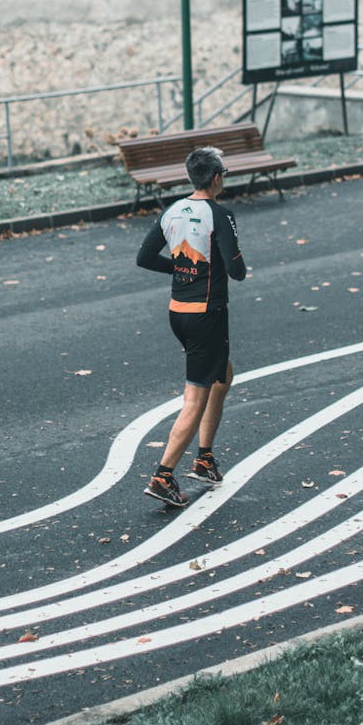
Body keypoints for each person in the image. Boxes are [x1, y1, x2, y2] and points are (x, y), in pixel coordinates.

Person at [136, 146, 247, 507]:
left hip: (179, 312)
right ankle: (164, 475)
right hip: (207, 314)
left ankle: (205, 458)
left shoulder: (172, 210)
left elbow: (145, 257)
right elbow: (236, 270)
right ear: (216, 178)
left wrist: (182, 269)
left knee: (222, 376)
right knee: (195, 396)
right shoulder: (220, 213)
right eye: (224, 174)